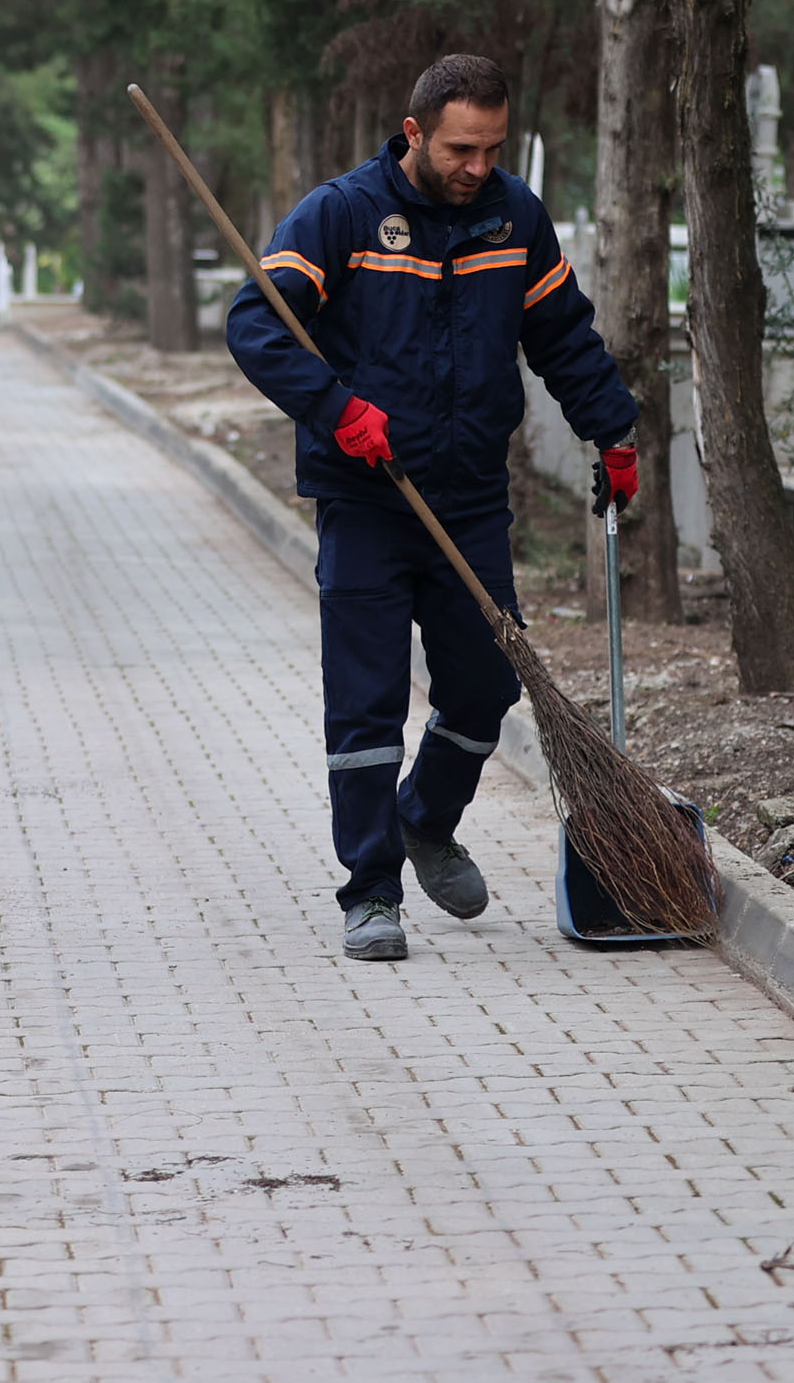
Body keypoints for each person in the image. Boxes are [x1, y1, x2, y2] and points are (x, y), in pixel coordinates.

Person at [225, 54, 638, 964]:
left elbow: (560, 333)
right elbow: (253, 324)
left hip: (467, 497)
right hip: (365, 500)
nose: (476, 166)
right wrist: (337, 410)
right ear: (413, 134)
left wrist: (612, 431)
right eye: (460, 149)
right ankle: (370, 892)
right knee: (366, 706)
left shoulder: (511, 215)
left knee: (488, 686)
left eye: (490, 148)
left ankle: (426, 817)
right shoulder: (341, 215)